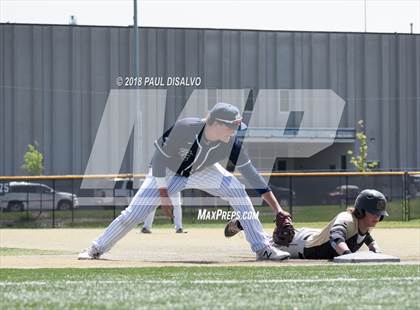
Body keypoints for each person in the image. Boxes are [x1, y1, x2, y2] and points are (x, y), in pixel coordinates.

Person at [79, 102, 292, 261]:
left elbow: (253, 176)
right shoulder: (185, 128)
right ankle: (96, 249)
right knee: (134, 214)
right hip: (168, 172)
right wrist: (164, 196)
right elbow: (159, 159)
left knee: (236, 189)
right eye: (231, 127)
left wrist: (278, 210)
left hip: (202, 171)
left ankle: (262, 248)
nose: (235, 132)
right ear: (216, 123)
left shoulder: (230, 143)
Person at [224, 189, 388, 259]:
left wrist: (376, 249)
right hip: (301, 244)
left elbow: (364, 236)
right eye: (373, 212)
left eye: (379, 215)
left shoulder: (362, 225)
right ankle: (245, 224)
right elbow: (336, 237)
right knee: (265, 245)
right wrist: (348, 255)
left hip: (313, 237)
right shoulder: (346, 218)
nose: (377, 217)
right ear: (361, 211)